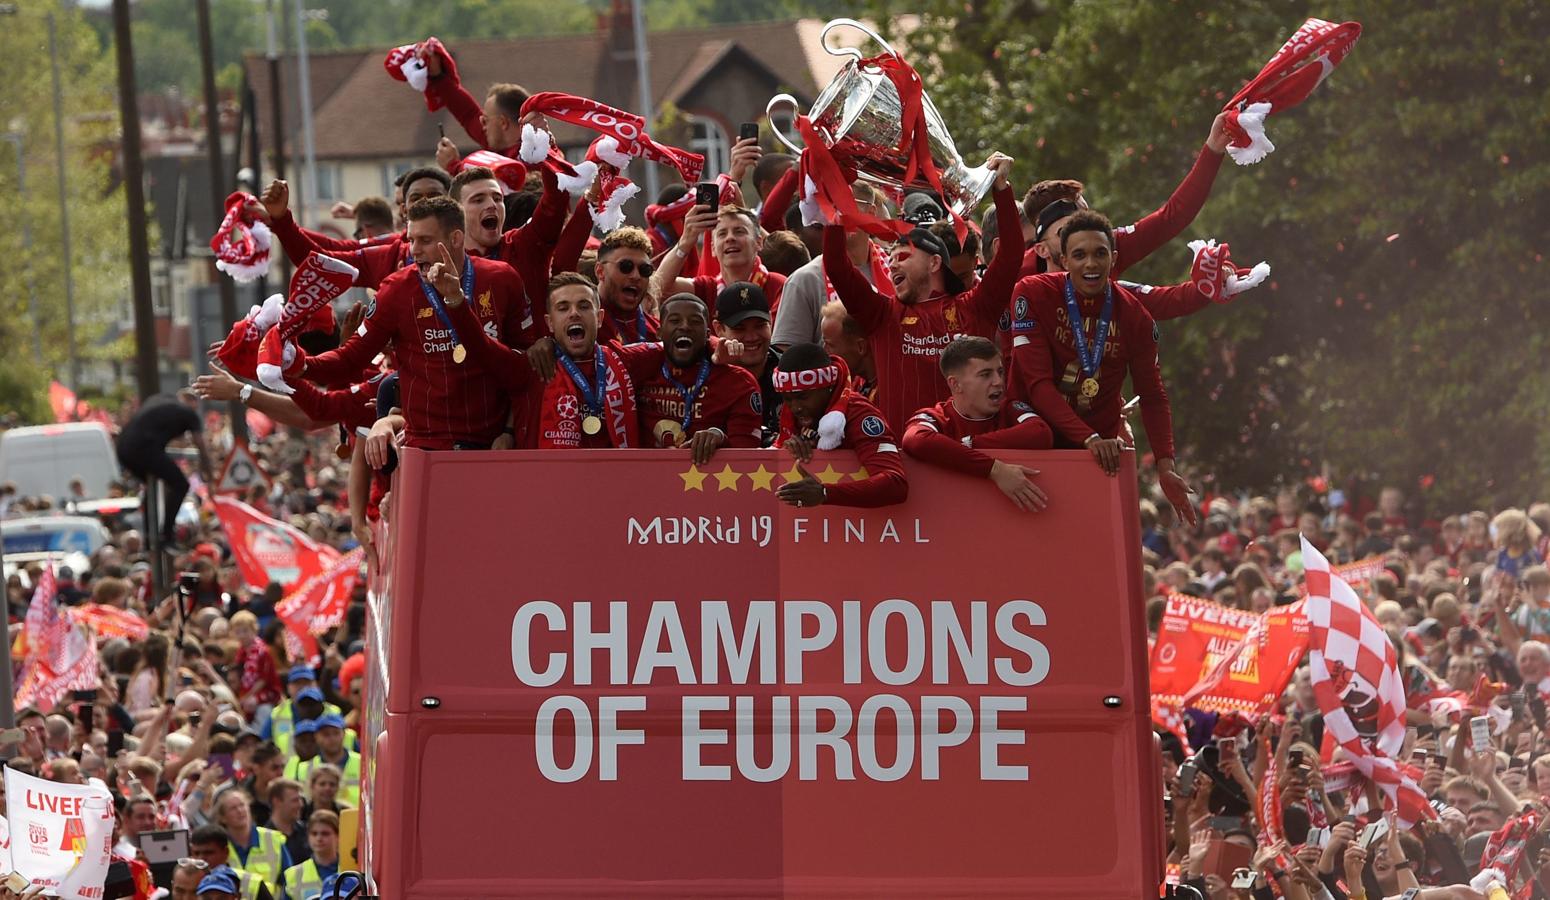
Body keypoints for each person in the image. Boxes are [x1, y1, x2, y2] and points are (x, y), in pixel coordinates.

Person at [1007, 210, 1201, 525]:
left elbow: (1152, 396)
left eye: (1099, 254)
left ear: (1112, 258)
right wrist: (1090, 438)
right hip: (1036, 437)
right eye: (1079, 255)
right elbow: (1037, 385)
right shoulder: (1033, 292)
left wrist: (1166, 466)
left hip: (1098, 453)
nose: (1091, 264)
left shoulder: (1135, 316)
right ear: (1064, 260)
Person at [296, 197, 530, 451]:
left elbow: (522, 371)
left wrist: (509, 430)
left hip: (493, 444)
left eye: (425, 241)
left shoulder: (501, 278)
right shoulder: (396, 289)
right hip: (426, 446)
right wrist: (297, 364)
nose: (414, 250)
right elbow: (349, 360)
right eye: (411, 240)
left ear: (456, 239)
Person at [821, 152, 1022, 430]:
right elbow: (837, 266)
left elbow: (1011, 255)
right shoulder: (881, 316)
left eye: (902, 256)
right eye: (890, 259)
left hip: (971, 459)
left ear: (934, 262)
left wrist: (1001, 189)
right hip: (904, 461)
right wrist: (835, 207)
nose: (892, 265)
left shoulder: (975, 307)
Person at [902, 336, 1051, 511]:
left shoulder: (1009, 408)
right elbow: (915, 440)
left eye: (1000, 372)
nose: (998, 382)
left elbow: (1041, 432)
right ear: (956, 384)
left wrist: (969, 444)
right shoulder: (937, 417)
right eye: (985, 375)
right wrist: (994, 470)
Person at [259, 171, 451, 291]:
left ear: (453, 203)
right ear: (403, 210)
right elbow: (323, 260)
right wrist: (281, 220)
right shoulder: (389, 255)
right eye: (416, 197)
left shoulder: (474, 247)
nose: (426, 203)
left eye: (435, 195)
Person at [770, 343, 907, 509]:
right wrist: (790, 448)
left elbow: (895, 484)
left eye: (802, 397)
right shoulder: (794, 416)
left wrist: (825, 493)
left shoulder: (860, 414)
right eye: (787, 399)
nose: (795, 408)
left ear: (828, 387)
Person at [773, 182, 892, 350]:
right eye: (830, 207)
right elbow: (787, 356)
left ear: (871, 213)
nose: (834, 215)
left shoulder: (895, 270)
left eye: (844, 205)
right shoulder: (804, 280)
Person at [449, 164, 567, 310]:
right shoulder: (447, 264)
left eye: (498, 198)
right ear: (456, 213)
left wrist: (546, 155)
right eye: (478, 200)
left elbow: (555, 203)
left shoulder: (523, 246)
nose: (492, 205)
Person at [115, 389, 214, 550]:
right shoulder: (188, 413)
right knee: (181, 484)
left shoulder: (160, 398)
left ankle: (149, 536)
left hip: (123, 448)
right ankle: (166, 534)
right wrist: (209, 475)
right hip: (144, 449)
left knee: (151, 485)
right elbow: (201, 446)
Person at [652, 205, 788, 318]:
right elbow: (658, 288)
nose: (730, 238)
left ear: (758, 243)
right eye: (722, 234)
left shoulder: (780, 286)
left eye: (739, 232)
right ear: (713, 249)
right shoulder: (708, 289)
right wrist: (685, 241)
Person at [715, 281, 782, 446]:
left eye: (760, 326)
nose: (751, 337)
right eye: (740, 328)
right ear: (718, 329)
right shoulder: (705, 377)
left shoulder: (789, 372)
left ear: (771, 323)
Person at [215, 787, 290, 894]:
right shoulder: (218, 845)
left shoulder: (273, 839)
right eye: (233, 808)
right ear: (223, 818)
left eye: (242, 805)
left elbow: (289, 882)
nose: (240, 811)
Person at [593, 227, 660, 345]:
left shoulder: (658, 334)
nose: (636, 276)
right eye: (626, 267)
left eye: (644, 270)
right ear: (600, 272)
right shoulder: (583, 329)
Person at [187, 824, 273, 900]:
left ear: (226, 852)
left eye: (208, 853)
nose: (201, 859)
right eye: (196, 853)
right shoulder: (184, 884)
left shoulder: (251, 883)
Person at [819, 301, 876, 403]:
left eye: (830, 345)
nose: (824, 352)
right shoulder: (855, 383)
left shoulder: (889, 391)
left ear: (860, 347)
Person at [281, 810, 341, 900]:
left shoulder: (350, 869)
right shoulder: (294, 875)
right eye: (314, 833)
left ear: (338, 836)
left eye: (325, 834)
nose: (319, 838)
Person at [265, 778, 309, 866]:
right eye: (295, 800)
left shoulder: (307, 832)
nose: (301, 805)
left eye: (300, 799)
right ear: (277, 801)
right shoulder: (265, 838)